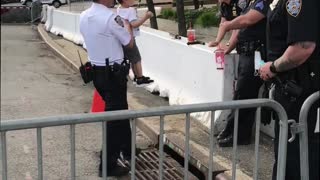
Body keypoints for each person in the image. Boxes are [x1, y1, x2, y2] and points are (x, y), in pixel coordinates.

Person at [259, 0, 319, 179]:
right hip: (291, 91)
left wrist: (273, 67)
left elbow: (303, 47)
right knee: (288, 155)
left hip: (300, 93)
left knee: (298, 159)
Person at [79, 0, 134, 177]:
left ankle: (128, 149)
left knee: (120, 111)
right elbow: (129, 43)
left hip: (97, 73)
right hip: (113, 76)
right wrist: (127, 26)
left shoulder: (83, 16)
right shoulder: (111, 18)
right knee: (115, 119)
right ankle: (108, 165)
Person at [208, 0, 270, 147]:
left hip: (256, 55)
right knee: (240, 93)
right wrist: (227, 48)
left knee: (246, 94)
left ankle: (241, 135)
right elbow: (238, 30)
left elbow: (247, 20)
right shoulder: (250, 4)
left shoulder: (262, 3)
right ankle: (231, 129)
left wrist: (227, 25)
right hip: (245, 53)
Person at [117, 0, 154, 85]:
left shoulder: (119, 9)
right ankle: (140, 78)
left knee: (132, 59)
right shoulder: (130, 10)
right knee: (137, 58)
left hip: (123, 38)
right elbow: (134, 24)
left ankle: (136, 76)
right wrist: (146, 17)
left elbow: (122, 22)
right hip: (130, 38)